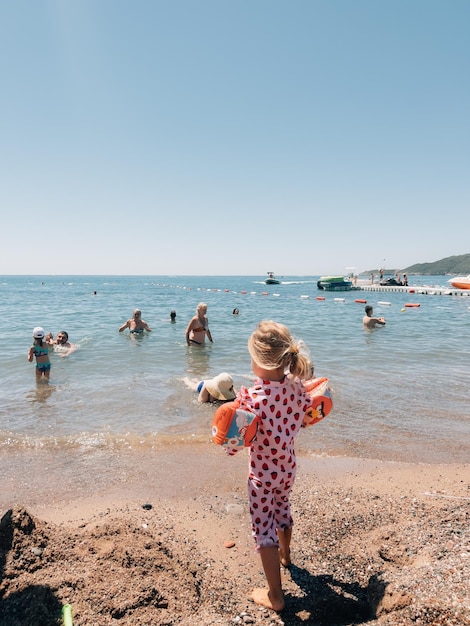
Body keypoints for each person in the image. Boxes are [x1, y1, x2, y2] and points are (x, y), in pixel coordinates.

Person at [226, 320, 313, 612]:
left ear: (259, 361)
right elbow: (303, 417)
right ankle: (286, 555)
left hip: (262, 476)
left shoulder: (251, 400)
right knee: (283, 508)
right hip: (288, 467)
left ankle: (275, 595)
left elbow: (232, 445)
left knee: (263, 529)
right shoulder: (298, 390)